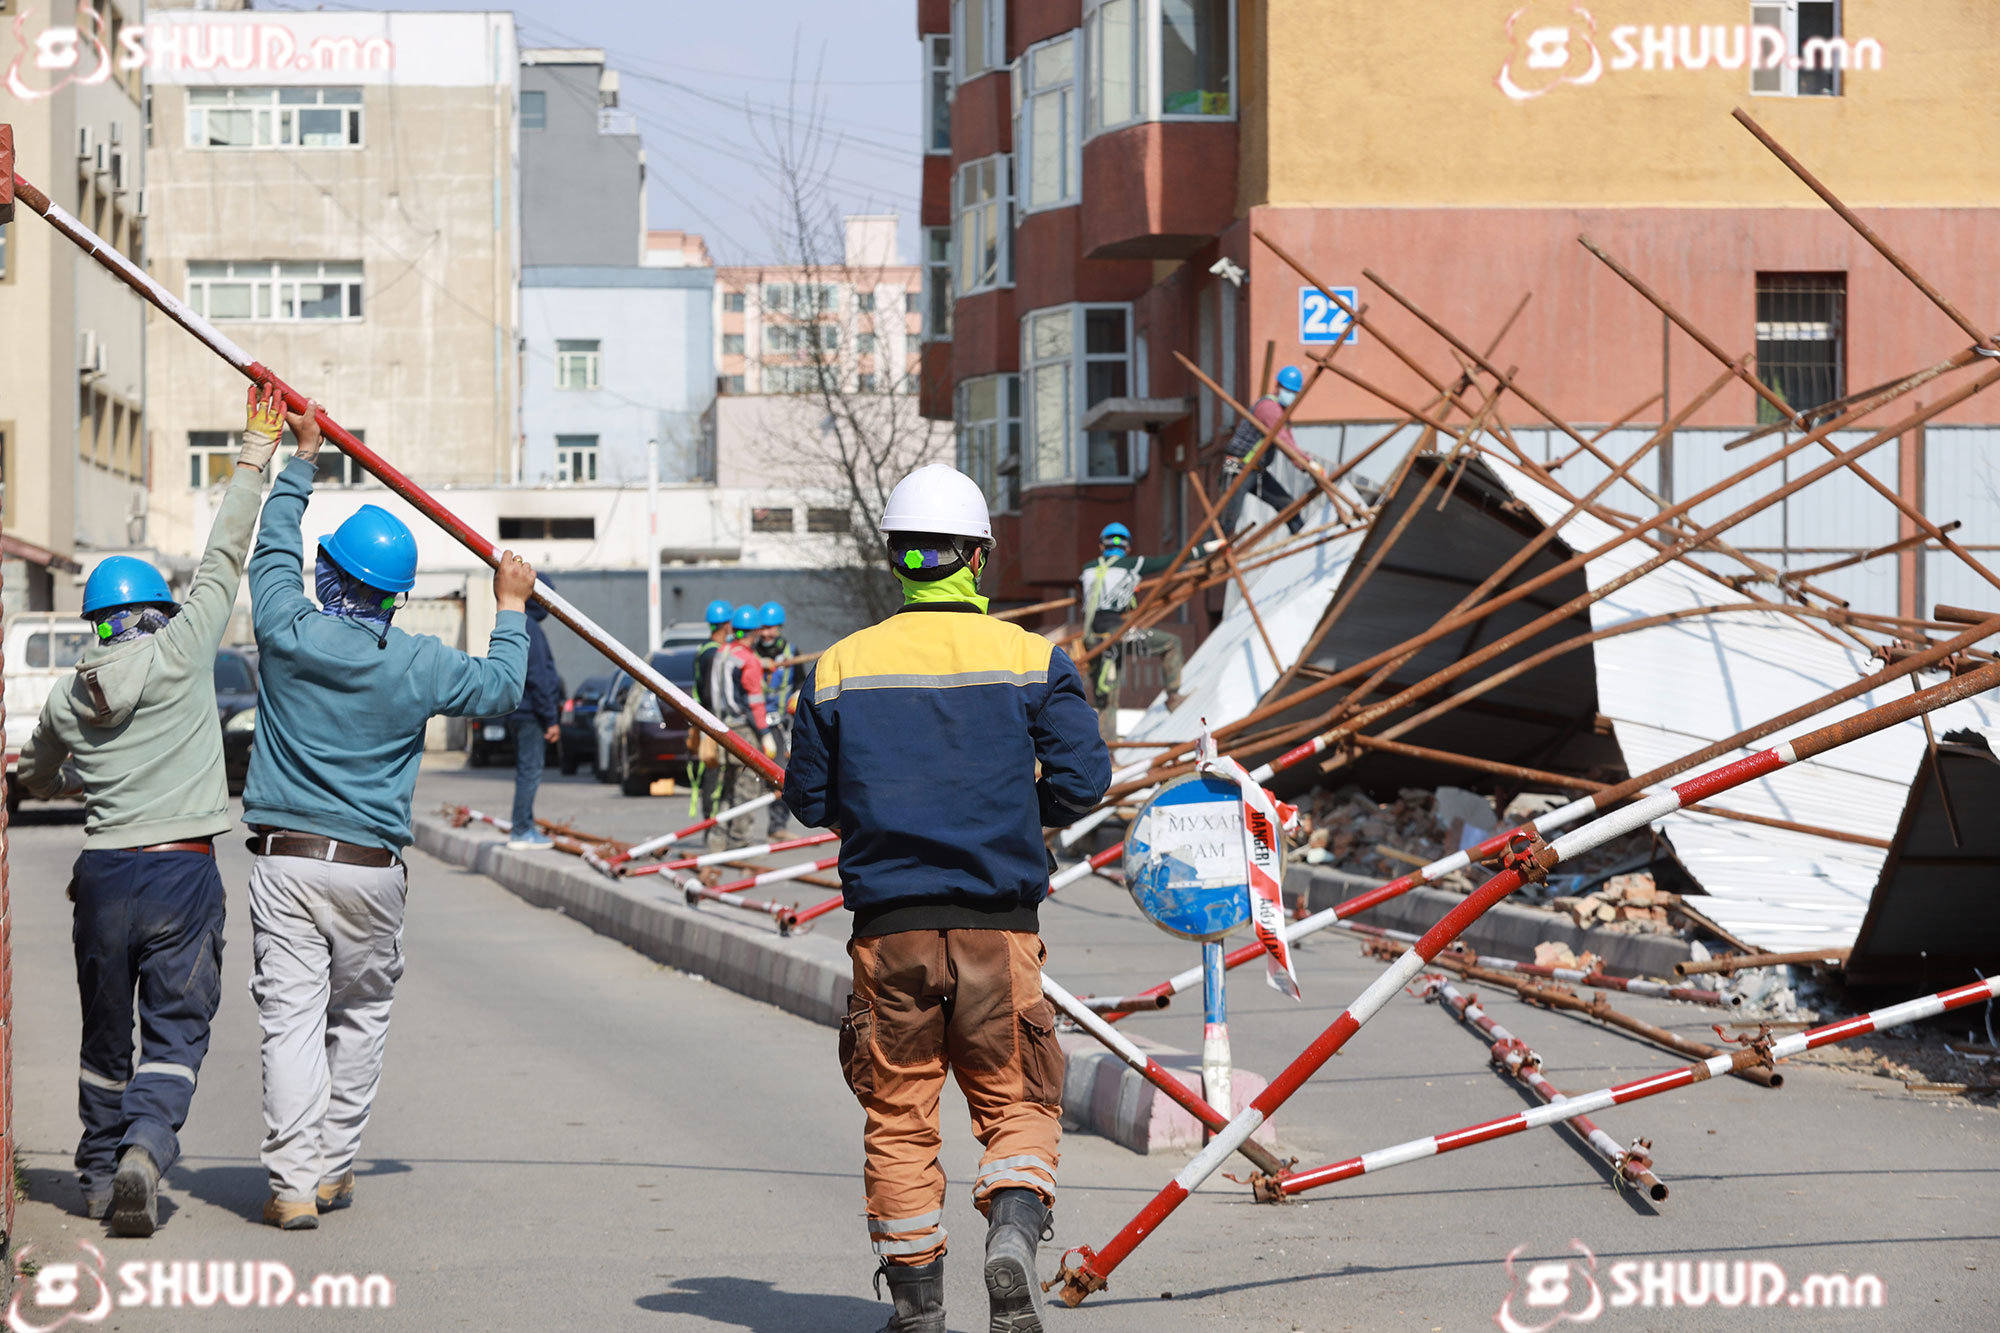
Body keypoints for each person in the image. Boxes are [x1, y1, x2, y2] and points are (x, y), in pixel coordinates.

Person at [783, 464, 1111, 1333]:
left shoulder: (837, 667)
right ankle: (1012, 1235)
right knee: (1018, 1100)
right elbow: (1084, 781)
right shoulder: (1031, 659)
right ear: (977, 557)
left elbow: (809, 800)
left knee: (899, 1114)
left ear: (897, 557)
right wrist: (1014, 812)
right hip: (998, 928)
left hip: (888, 931)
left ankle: (918, 1307)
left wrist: (879, 801)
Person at [241, 405, 534, 1230]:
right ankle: (333, 1166)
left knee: (291, 1022)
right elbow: (503, 688)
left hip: (286, 858)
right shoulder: (418, 660)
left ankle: (294, 1182)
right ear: (397, 597)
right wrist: (510, 605)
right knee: (361, 1017)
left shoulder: (286, 628)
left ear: (331, 575)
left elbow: (272, 551)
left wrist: (303, 461)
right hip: (371, 869)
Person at [15, 384, 285, 1236]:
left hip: (102, 875)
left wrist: (77, 775)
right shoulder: (183, 650)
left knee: (105, 1039)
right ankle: (144, 1147)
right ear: (157, 614)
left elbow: (36, 775)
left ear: (96, 623)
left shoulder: (66, 696)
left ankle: (98, 1176)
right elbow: (225, 552)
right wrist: (257, 449)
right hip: (182, 872)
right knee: (174, 1036)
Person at [1079, 522, 1187, 721]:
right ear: (1127, 548)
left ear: (1101, 546)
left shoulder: (1087, 569)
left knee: (1106, 700)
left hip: (1093, 638)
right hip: (1117, 633)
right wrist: (1205, 549)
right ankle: (1173, 696)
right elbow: (1169, 561)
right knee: (1172, 643)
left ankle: (1106, 742)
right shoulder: (1132, 565)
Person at [702, 605, 775, 852]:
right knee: (746, 789)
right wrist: (765, 734)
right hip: (743, 730)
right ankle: (739, 841)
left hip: (719, 727)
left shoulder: (721, 653)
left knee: (723, 787)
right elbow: (754, 702)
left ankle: (717, 839)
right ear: (754, 632)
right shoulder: (749, 660)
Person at [504, 578, 564, 850]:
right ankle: (522, 830)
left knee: (525, 771)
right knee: (530, 772)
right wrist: (550, 719)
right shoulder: (532, 630)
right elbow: (539, 678)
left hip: (518, 710)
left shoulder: (518, 625)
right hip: (531, 714)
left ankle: (524, 825)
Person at [1218, 363, 1308, 536]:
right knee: (1227, 521)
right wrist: (1305, 464)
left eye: (1293, 392)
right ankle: (1206, 550)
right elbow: (1283, 441)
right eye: (1287, 390)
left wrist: (1307, 462)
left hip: (1256, 471)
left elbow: (1289, 441)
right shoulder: (1268, 408)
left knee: (1288, 506)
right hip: (1239, 468)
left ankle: (1303, 537)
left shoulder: (1281, 412)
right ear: (1278, 386)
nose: (1290, 395)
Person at [689, 598, 738, 830]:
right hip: (714, 721)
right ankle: (713, 825)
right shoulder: (715, 654)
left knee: (713, 773)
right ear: (727, 624)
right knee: (716, 774)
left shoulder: (703, 650)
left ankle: (713, 823)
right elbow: (712, 693)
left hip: (705, 718)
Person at [753, 600, 794, 838]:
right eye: (763, 628)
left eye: (771, 628)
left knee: (780, 773)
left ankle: (778, 826)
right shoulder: (750, 653)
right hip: (754, 722)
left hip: (780, 725)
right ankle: (738, 831)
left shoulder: (791, 652)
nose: (766, 633)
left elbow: (800, 683)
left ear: (779, 627)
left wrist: (795, 699)